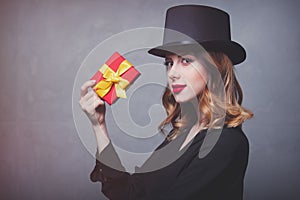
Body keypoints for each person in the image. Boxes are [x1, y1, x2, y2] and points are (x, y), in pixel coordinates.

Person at [79, 5, 253, 200]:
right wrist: (99, 124)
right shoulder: (180, 134)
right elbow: (129, 193)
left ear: (215, 67)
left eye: (186, 60)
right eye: (169, 62)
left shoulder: (225, 143)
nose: (172, 73)